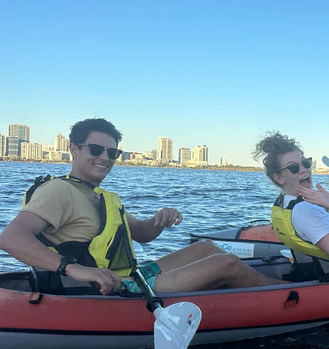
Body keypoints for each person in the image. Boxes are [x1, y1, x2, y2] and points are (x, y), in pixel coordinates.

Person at [0, 118, 281, 295]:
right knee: (226, 262)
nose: (105, 157)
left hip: (128, 277)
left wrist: (159, 219)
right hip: (102, 289)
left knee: (207, 248)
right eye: (95, 149)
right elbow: (11, 238)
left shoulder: (103, 197)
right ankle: (290, 295)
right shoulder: (60, 190)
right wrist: (73, 269)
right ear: (74, 149)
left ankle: (268, 288)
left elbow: (142, 234)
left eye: (112, 152)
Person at [253, 132, 329, 276]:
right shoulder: (305, 210)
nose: (304, 169)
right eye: (293, 167)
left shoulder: (286, 203)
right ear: (279, 178)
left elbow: (320, 235)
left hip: (318, 272)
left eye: (305, 163)